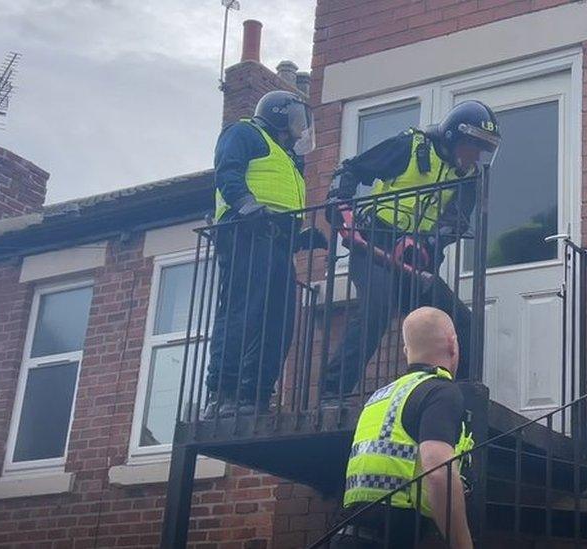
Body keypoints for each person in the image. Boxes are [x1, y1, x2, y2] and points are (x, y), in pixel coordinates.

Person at [321, 100, 501, 398]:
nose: (476, 157)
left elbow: (455, 222)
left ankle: (460, 396)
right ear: (455, 137)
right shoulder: (411, 145)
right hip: (374, 247)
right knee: (375, 310)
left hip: (415, 263)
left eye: (484, 150)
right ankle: (332, 392)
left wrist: (426, 244)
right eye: (473, 147)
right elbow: (351, 170)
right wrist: (339, 203)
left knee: (462, 323)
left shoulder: (468, 177)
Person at [205, 90, 325, 418]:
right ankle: (222, 392)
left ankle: (254, 393)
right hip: (246, 232)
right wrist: (246, 204)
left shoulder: (287, 157)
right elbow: (227, 172)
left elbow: (280, 202)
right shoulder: (244, 133)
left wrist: (300, 238)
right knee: (243, 310)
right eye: (296, 119)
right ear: (278, 114)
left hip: (276, 239)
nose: (300, 128)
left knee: (279, 318)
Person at [332, 307, 475, 549]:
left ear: (406, 351)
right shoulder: (440, 391)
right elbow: (439, 472)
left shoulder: (380, 397)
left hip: (347, 535)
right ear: (453, 344)